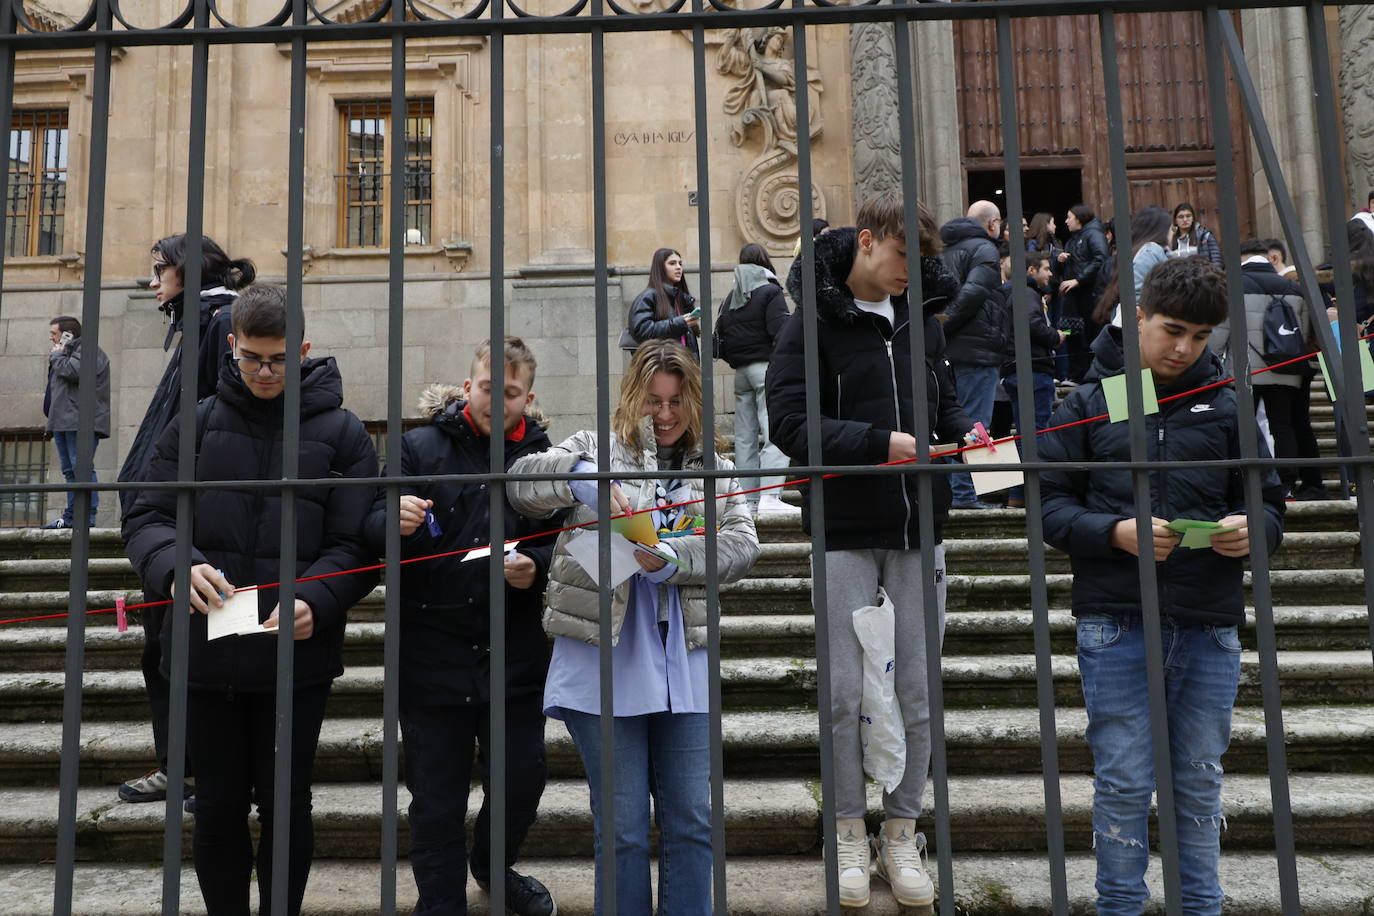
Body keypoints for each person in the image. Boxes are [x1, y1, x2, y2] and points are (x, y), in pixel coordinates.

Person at [122, 285, 379, 916]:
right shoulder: (195, 422)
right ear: (232, 346)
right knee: (216, 808)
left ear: (304, 351)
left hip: (295, 658)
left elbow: (357, 544)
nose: (265, 372)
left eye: (279, 359)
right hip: (205, 652)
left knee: (287, 808)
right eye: (252, 359)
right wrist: (175, 566)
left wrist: (317, 596)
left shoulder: (344, 434)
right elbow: (147, 516)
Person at [1039, 256, 1286, 915]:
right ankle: (1119, 907)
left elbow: (1269, 504)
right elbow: (1048, 506)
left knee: (1199, 782)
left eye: (1201, 337)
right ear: (1140, 317)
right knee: (1123, 781)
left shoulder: (1230, 404)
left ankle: (1200, 907)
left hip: (1209, 618)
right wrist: (1114, 531)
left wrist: (1251, 529)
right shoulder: (1090, 402)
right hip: (1116, 616)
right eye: (1173, 331)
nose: (1184, 349)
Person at [767, 191, 975, 909]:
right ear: (865, 241)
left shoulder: (924, 322)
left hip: (920, 527)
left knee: (918, 690)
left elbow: (945, 406)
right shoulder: (811, 323)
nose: (908, 274)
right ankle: (848, 831)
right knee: (845, 692)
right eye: (899, 257)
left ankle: (901, 831)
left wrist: (967, 433)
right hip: (846, 528)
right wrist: (876, 444)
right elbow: (789, 423)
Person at [507, 340, 760, 916]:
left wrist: (672, 559)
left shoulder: (714, 469)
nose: (665, 415)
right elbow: (520, 483)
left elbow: (743, 545)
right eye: (653, 401)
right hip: (605, 659)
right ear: (631, 398)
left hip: (684, 660)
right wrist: (580, 478)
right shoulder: (595, 448)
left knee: (693, 820)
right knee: (621, 829)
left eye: (676, 401)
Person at [361, 338, 560, 916]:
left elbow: (570, 544)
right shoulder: (418, 447)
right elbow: (371, 524)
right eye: (488, 387)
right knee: (435, 799)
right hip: (431, 650)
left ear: (528, 398)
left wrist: (536, 566)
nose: (498, 401)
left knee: (521, 780)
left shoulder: (545, 461)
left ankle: (492, 866)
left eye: (512, 392)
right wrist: (393, 520)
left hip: (514, 651)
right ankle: (440, 903)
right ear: (468, 385)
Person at [117, 233, 255, 806]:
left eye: (160, 270)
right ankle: (185, 768)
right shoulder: (202, 319)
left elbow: (226, 423)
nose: (153, 282)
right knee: (166, 651)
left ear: (189, 271)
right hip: (173, 516)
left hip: (200, 519)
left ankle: (205, 773)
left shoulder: (219, 320)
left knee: (190, 653)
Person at [1207, 238, 1324, 501]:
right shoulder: (1294, 288)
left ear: (1242, 260)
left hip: (1245, 370)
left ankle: (1246, 481)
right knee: (1283, 426)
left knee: (1243, 426)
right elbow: (1304, 331)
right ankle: (1287, 483)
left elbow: (1218, 336)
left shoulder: (1232, 287)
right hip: (1286, 367)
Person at [713, 243, 794, 517]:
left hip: (741, 374)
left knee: (745, 438)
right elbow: (781, 332)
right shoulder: (770, 291)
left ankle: (749, 499)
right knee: (776, 430)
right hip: (766, 370)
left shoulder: (731, 298)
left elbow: (721, 338)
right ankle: (770, 496)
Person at [939, 199, 1010, 510]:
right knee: (976, 422)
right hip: (976, 351)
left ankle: (954, 490)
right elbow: (973, 293)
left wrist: (938, 332)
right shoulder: (985, 249)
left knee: (951, 420)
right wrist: (943, 326)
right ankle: (964, 493)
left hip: (948, 351)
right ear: (992, 224)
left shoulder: (946, 249)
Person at [998, 248, 1063, 509]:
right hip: (1032, 370)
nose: (1050, 274)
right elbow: (1032, 325)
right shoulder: (1026, 293)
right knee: (1035, 434)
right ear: (1031, 270)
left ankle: (1018, 495)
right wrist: (1055, 336)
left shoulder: (1011, 293)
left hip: (1017, 369)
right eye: (1046, 268)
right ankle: (1032, 495)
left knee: (1026, 433)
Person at [42, 316, 111, 529]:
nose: (51, 337)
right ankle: (72, 516)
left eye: (54, 333)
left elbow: (73, 372)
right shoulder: (66, 353)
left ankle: (86, 516)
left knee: (81, 467)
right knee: (70, 471)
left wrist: (57, 355)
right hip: (62, 420)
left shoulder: (88, 351)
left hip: (79, 420)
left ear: (67, 334)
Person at [1092, 205, 1172, 328]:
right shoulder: (1149, 252)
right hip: (1143, 326)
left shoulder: (1138, 250)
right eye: (1171, 228)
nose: (1172, 232)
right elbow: (1136, 298)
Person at [1057, 204, 1110, 382]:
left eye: (1069, 217)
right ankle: (1076, 375)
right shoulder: (1072, 239)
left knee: (1091, 335)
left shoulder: (1093, 234)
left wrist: (1078, 280)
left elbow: (1100, 258)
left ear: (1079, 218)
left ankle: (1092, 377)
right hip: (1074, 299)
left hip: (1090, 295)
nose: (1066, 221)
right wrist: (1060, 260)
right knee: (1071, 333)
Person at [626, 247, 699, 360]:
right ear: (660, 268)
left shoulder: (681, 298)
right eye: (672, 263)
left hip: (685, 364)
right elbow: (642, 330)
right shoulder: (648, 297)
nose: (678, 267)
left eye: (680, 263)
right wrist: (679, 323)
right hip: (663, 364)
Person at [1167, 202, 1223, 267]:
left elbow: (1216, 260)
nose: (1185, 220)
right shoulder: (1170, 239)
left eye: (1188, 216)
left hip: (1202, 272)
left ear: (1193, 218)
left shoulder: (1204, 236)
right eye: (1181, 217)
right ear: (1176, 220)